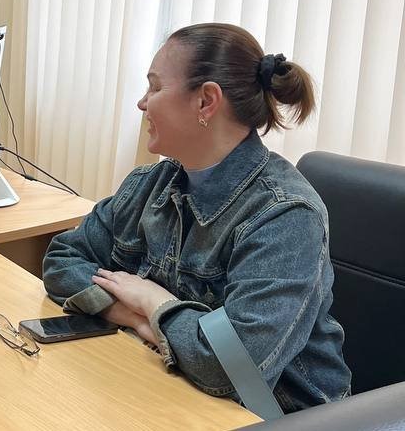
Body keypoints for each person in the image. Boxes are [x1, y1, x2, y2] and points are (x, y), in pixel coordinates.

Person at [42, 23, 350, 412]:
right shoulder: (149, 183)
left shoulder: (286, 216)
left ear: (206, 101)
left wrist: (154, 302)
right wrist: (133, 314)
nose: (142, 103)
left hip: (273, 414)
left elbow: (231, 370)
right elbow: (61, 261)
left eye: (155, 87)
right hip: (169, 387)